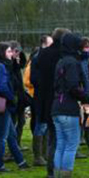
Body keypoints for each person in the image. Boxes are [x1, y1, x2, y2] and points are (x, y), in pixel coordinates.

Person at [51, 32, 89, 178]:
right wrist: (86, 97)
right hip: (68, 108)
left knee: (61, 144)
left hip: (56, 107)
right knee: (71, 145)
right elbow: (73, 87)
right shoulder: (73, 63)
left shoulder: (60, 62)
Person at [33, 28, 71, 178]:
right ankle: (58, 170)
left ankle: (51, 170)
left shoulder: (41, 54)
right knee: (61, 138)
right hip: (60, 99)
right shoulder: (62, 56)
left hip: (45, 100)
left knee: (52, 137)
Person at [0, 42, 29, 172]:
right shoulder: (0, 67)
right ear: (2, 53)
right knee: (2, 137)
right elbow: (2, 87)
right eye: (9, 51)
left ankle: (20, 161)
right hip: (3, 104)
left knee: (11, 135)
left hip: (2, 104)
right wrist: (12, 97)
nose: (12, 54)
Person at [29, 33, 53, 167]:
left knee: (46, 125)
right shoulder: (37, 58)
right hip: (41, 97)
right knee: (40, 125)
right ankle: (38, 156)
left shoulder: (46, 58)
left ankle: (44, 154)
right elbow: (34, 79)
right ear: (44, 44)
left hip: (47, 97)